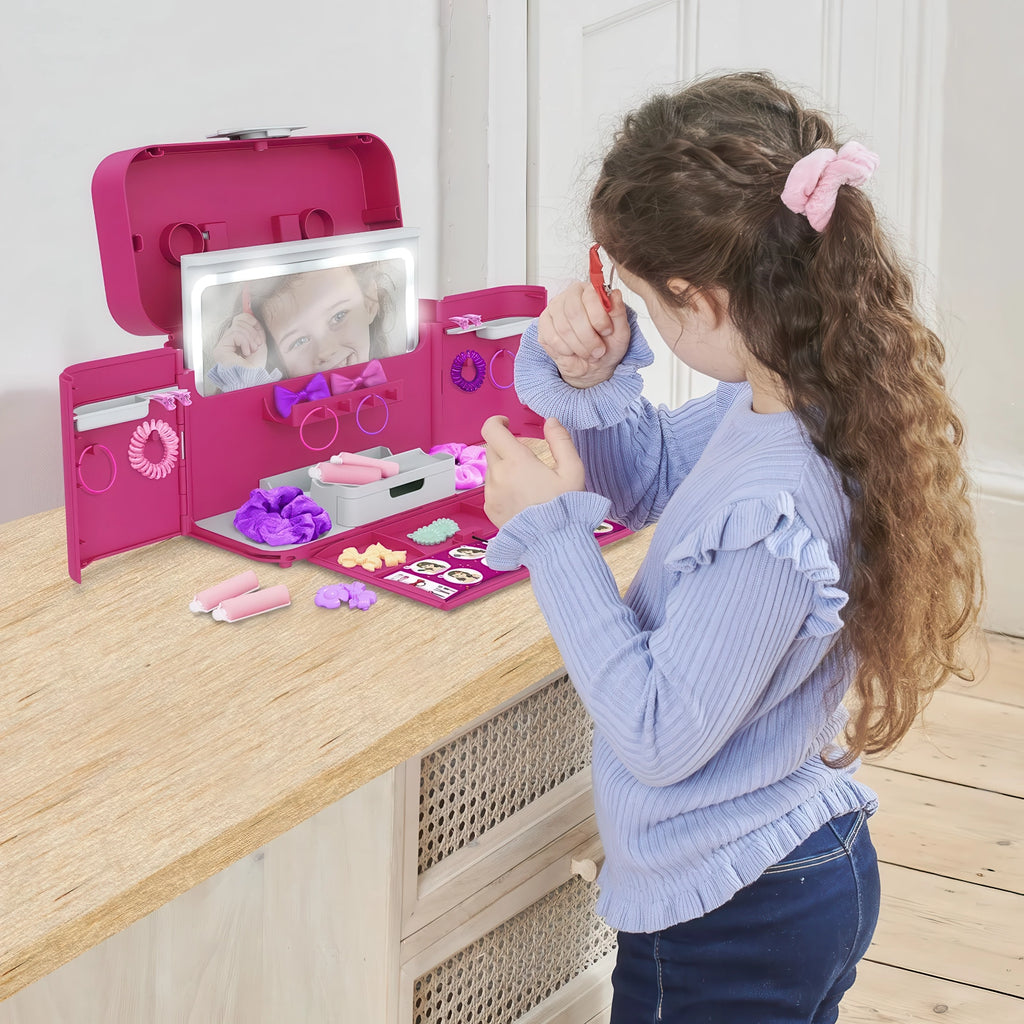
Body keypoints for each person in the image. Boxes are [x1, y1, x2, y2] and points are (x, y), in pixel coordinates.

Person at [481, 71, 984, 1023]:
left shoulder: (773, 510)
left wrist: (551, 536)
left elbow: (658, 736)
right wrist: (591, 386)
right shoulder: (792, 397)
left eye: (644, 303)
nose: (641, 320)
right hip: (787, 877)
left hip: (731, 914)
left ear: (700, 298)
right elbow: (646, 484)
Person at [206, 261, 402, 391]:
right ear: (277, 358)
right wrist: (246, 378)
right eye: (299, 341)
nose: (324, 351)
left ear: (369, 303)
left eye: (339, 316)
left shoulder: (408, 380)